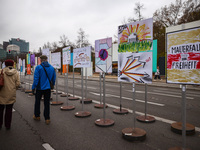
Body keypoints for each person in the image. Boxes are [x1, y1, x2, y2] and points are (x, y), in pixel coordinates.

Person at [32, 55, 56, 125]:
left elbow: (36, 79)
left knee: (37, 102)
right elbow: (53, 79)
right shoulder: (52, 68)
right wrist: (52, 85)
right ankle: (47, 118)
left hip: (39, 88)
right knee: (47, 103)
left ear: (41, 60)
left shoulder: (38, 67)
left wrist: (33, 87)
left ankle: (37, 116)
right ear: (46, 59)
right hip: (47, 88)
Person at [0, 59, 20, 130]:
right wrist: (14, 88)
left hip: (1, 93)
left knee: (1, 109)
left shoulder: (1, 71)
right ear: (12, 64)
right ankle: (7, 125)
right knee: (9, 110)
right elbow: (17, 84)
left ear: (5, 64)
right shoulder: (16, 73)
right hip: (11, 93)